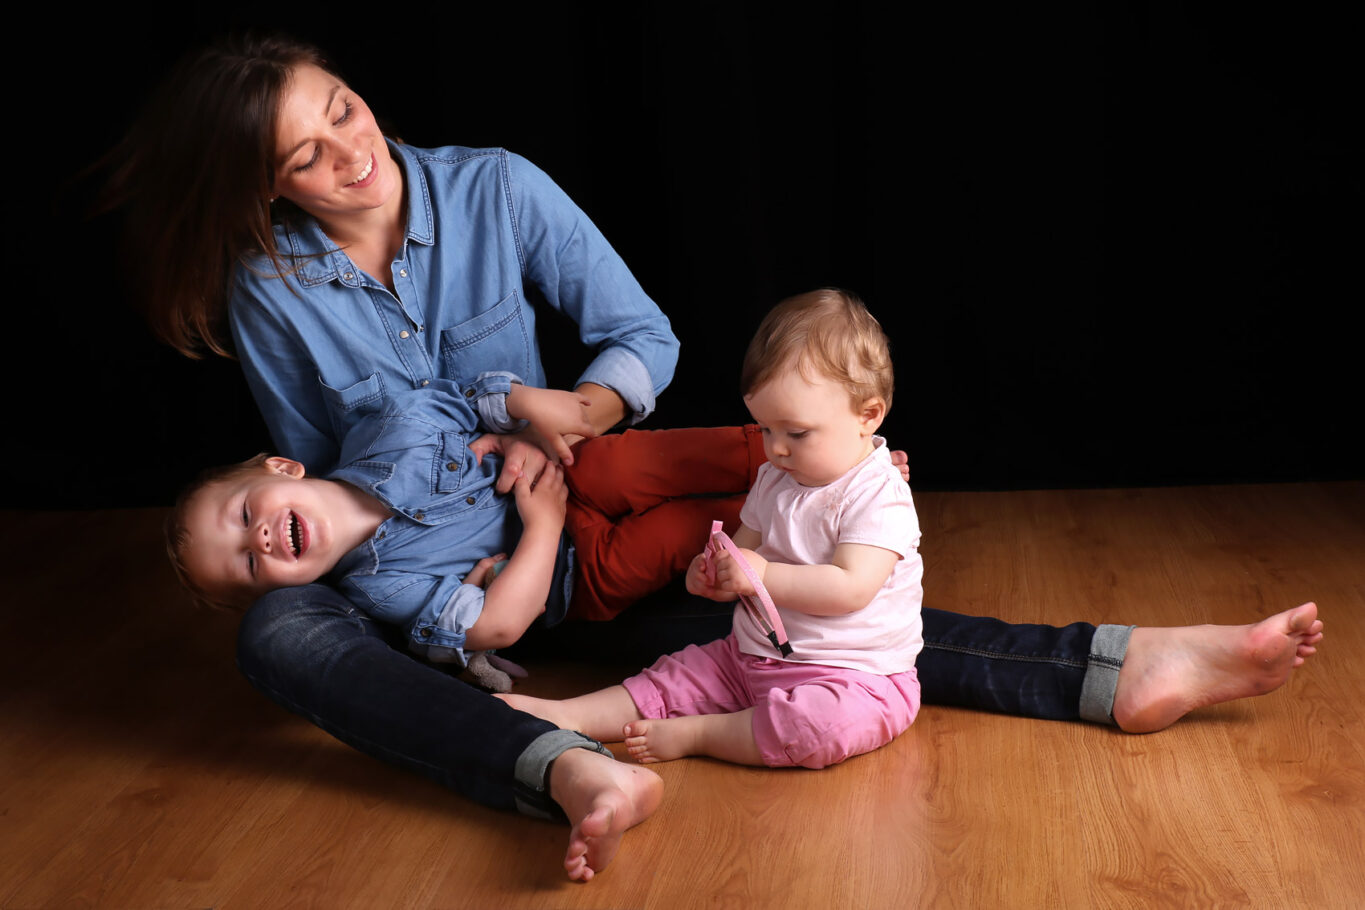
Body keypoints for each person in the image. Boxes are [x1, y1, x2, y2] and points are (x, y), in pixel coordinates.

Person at [107, 35, 1324, 882]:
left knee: (800, 617)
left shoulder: (495, 189)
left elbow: (640, 338)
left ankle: (1114, 665)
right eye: (303, 155)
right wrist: (429, 597)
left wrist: (568, 417)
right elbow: (317, 466)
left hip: (581, 519)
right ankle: (560, 767)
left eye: (340, 108)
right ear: (266, 190)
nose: (347, 149)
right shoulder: (266, 287)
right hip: (434, 578)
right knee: (277, 630)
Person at [503, 291, 925, 784]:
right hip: (751, 656)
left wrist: (761, 575)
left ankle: (703, 734)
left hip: (853, 677)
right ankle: (566, 714)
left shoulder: (877, 494)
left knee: (818, 725)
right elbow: (743, 549)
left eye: (796, 433)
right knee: (676, 677)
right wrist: (714, 574)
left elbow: (850, 587)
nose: (777, 449)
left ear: (868, 416)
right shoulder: (774, 478)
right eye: (766, 429)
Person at [167, 393, 770, 665]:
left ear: (281, 467)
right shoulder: (380, 588)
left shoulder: (386, 430)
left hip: (563, 471)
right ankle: (800, 522)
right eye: (249, 563)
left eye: (243, 515)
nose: (259, 538)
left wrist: (521, 421)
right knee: (685, 533)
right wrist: (543, 525)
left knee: (646, 460)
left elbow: (470, 400)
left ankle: (794, 449)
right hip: (576, 573)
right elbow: (498, 624)